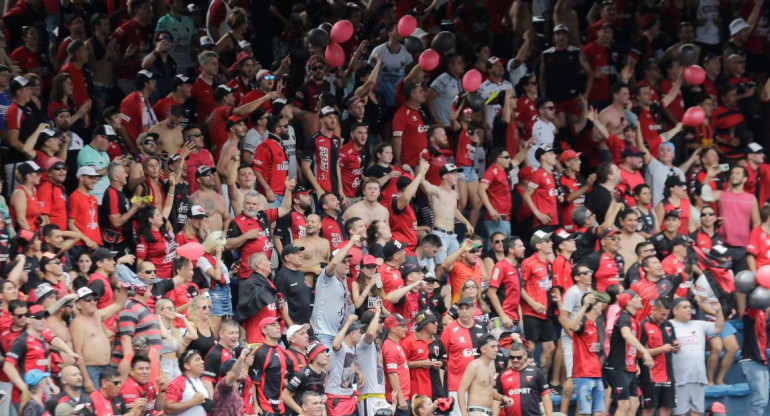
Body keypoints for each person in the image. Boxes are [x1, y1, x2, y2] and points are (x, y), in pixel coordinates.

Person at [669, 298, 724, 416]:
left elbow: (718, 328)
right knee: (679, 414)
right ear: (675, 311)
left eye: (690, 307)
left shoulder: (699, 324)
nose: (689, 309)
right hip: (679, 379)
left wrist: (719, 311)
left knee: (697, 413)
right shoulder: (669, 326)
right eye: (685, 307)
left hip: (698, 377)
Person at [603, 290, 654, 416]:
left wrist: (635, 362)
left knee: (634, 403)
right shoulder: (624, 317)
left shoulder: (633, 318)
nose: (641, 298)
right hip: (618, 367)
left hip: (628, 366)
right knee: (624, 404)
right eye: (637, 297)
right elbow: (626, 335)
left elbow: (629, 345)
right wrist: (645, 352)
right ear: (629, 301)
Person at [311, 236, 361, 348]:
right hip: (323, 333)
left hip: (337, 334)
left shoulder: (343, 281)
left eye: (348, 261)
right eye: (343, 261)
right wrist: (351, 242)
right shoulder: (327, 277)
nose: (348, 264)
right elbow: (333, 264)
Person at [441, 297, 488, 416]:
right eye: (461, 308)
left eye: (467, 308)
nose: (464, 311)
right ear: (457, 311)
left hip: (479, 385)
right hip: (457, 384)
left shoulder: (482, 326)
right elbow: (442, 358)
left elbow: (487, 354)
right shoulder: (449, 329)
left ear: (473, 310)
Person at [520, 230, 556, 373]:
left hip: (546, 313)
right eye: (548, 241)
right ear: (539, 245)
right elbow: (519, 287)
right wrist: (533, 303)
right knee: (530, 347)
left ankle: (543, 382)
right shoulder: (528, 263)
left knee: (550, 347)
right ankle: (526, 380)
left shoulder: (549, 263)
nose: (551, 243)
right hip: (530, 312)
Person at [568, 292, 606, 416]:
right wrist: (584, 306)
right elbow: (572, 326)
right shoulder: (583, 323)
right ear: (594, 306)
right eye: (600, 303)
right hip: (583, 374)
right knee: (585, 412)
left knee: (599, 412)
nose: (602, 305)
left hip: (596, 374)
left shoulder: (595, 325)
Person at [458, 335, 513, 416]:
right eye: (493, 347)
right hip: (476, 412)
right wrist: (464, 414)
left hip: (489, 412)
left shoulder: (491, 367)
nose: (496, 350)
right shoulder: (474, 365)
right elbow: (461, 390)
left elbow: (488, 391)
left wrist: (503, 397)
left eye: (497, 346)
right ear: (483, 349)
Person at [639, 298, 676, 416]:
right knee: (649, 410)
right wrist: (661, 349)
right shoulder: (643, 325)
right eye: (662, 314)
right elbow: (640, 352)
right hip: (650, 377)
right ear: (653, 309)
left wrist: (676, 347)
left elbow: (672, 343)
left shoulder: (669, 325)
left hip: (668, 376)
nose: (665, 317)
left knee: (666, 409)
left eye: (667, 315)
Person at [496, 342, 553, 416]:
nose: (515, 360)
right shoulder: (502, 375)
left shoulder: (537, 372)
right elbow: (497, 399)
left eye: (519, 357)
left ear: (525, 355)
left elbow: (545, 396)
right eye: (512, 357)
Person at [251, 317, 288, 416]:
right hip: (265, 407)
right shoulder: (260, 353)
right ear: (264, 330)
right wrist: (255, 405)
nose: (278, 327)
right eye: (273, 325)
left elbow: (281, 377)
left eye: (278, 324)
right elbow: (253, 382)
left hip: (281, 407)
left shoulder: (282, 351)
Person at [488, 236, 525, 330]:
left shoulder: (518, 267)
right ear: (511, 249)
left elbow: (516, 295)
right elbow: (491, 293)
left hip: (515, 319)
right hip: (501, 320)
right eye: (520, 246)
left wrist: (520, 319)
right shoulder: (500, 266)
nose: (524, 248)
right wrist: (503, 316)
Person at [164, 350, 209, 416]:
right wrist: (193, 402)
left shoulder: (200, 382)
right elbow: (168, 409)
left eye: (201, 359)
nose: (202, 362)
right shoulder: (178, 382)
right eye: (197, 360)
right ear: (187, 366)